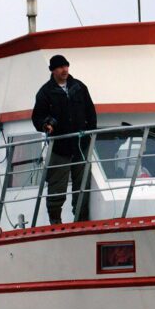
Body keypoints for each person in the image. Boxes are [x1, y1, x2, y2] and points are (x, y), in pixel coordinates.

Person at [31, 55, 97, 224]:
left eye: (66, 66)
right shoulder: (45, 92)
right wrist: (46, 125)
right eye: (60, 67)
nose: (65, 70)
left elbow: (90, 112)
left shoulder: (79, 87)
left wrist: (90, 133)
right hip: (60, 148)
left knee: (82, 186)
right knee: (56, 187)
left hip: (81, 146)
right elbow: (37, 117)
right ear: (53, 70)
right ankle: (55, 222)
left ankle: (81, 220)